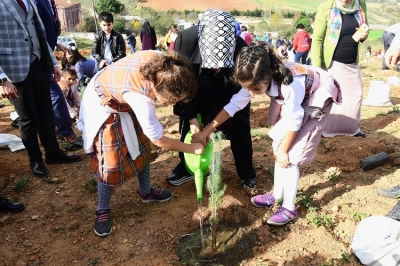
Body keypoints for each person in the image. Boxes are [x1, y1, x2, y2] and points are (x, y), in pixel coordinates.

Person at [77, 50, 203, 236]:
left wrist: (193, 122)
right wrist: (191, 148)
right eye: (170, 101)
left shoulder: (166, 65)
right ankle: (103, 208)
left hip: (124, 96)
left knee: (142, 146)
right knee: (110, 163)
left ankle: (146, 191)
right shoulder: (142, 98)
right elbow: (158, 139)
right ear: (157, 91)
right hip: (104, 104)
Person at [234, 44, 341, 225]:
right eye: (248, 89)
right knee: (278, 147)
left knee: (290, 155)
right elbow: (235, 103)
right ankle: (276, 194)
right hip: (298, 101)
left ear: (268, 74)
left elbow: (295, 118)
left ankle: (289, 207)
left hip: (316, 96)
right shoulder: (259, 77)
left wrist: (284, 150)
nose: (252, 93)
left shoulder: (290, 83)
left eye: (256, 89)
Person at [169, 9, 257, 188]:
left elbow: (236, 102)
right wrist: (195, 125)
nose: (217, 69)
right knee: (188, 126)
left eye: (221, 65)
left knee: (239, 127)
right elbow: (180, 87)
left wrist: (208, 130)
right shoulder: (185, 41)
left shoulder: (242, 50)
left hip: (228, 89)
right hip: (195, 88)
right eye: (213, 65)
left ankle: (245, 169)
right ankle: (187, 166)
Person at [0, 0, 81, 177]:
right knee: (28, 118)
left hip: (39, 63)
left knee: (46, 112)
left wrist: (53, 63)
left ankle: (53, 153)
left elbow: (40, 33)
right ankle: (35, 161)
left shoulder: (30, 1)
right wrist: (2, 79)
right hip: (13, 70)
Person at [311, 0, 368, 138]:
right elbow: (317, 39)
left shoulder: (361, 5)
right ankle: (327, 131)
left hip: (352, 62)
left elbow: (364, 27)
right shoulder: (325, 8)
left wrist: (364, 36)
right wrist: (317, 66)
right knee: (334, 98)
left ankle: (351, 129)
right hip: (333, 63)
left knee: (355, 96)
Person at [35, 0, 80, 145]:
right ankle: (64, 132)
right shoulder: (37, 1)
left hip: (46, 54)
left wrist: (56, 43)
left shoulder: (49, 2)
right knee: (56, 96)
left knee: (48, 98)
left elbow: (47, 29)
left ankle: (56, 133)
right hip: (38, 58)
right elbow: (36, 31)